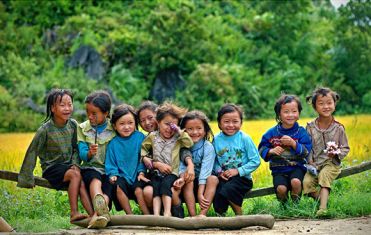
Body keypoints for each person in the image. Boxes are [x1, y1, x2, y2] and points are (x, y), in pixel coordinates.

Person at [17, 89, 93, 223]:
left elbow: (77, 148)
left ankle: (94, 216)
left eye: (70, 104)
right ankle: (74, 213)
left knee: (80, 179)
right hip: (51, 169)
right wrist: (26, 178)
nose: (67, 108)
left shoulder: (73, 125)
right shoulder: (45, 130)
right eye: (62, 105)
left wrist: (75, 163)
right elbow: (32, 151)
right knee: (75, 175)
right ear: (52, 108)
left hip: (69, 167)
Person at [141, 102, 194, 217]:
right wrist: (144, 158)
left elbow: (189, 143)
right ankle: (156, 214)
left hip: (172, 172)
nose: (170, 129)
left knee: (165, 186)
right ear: (158, 122)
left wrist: (179, 131)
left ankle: (167, 212)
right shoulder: (152, 137)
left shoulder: (177, 138)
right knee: (156, 189)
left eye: (173, 126)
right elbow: (144, 148)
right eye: (167, 124)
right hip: (156, 172)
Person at [303, 87, 350, 217]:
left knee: (324, 175)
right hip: (315, 163)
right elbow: (308, 147)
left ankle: (323, 209)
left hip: (332, 163)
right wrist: (310, 161)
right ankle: (325, 202)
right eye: (321, 103)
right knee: (306, 183)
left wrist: (336, 153)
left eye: (329, 103)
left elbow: (345, 148)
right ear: (314, 107)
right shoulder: (310, 127)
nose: (326, 106)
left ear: (334, 104)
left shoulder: (338, 128)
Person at [258, 95, 312, 204]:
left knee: (296, 182)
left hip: (297, 167)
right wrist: (270, 151)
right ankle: (284, 207)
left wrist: (294, 144)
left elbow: (306, 152)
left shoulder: (301, 132)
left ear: (299, 114)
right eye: (286, 112)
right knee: (281, 189)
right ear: (279, 114)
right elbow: (261, 148)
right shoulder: (272, 133)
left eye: (294, 111)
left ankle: (296, 205)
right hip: (278, 170)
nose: (290, 115)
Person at [213, 104, 260, 216]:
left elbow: (255, 161)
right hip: (224, 177)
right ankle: (220, 217)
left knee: (229, 189)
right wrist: (219, 172)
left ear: (241, 123)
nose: (231, 125)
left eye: (235, 121)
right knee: (218, 191)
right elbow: (213, 161)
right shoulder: (216, 140)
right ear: (219, 123)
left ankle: (239, 216)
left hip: (243, 178)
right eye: (226, 121)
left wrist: (237, 171)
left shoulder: (244, 138)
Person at [78, 90, 116, 228]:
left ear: (106, 113)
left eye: (94, 113)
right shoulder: (83, 128)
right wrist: (88, 153)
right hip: (90, 168)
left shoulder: (114, 128)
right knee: (95, 180)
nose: (90, 116)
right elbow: (81, 153)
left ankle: (97, 216)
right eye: (88, 112)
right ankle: (99, 211)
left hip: (109, 170)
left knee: (109, 188)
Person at [105, 104, 146, 215]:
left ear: (135, 123)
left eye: (130, 123)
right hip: (122, 176)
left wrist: (141, 171)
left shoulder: (140, 137)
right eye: (122, 124)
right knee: (118, 187)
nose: (126, 127)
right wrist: (113, 173)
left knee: (139, 191)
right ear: (114, 126)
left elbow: (144, 157)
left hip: (138, 173)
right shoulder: (113, 143)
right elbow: (110, 162)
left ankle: (148, 216)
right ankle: (130, 216)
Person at [179, 110, 218, 217]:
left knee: (213, 179)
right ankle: (193, 216)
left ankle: (202, 215)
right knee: (188, 179)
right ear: (183, 131)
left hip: (204, 182)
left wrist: (200, 193)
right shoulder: (182, 146)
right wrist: (183, 177)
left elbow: (206, 171)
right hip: (187, 182)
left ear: (205, 130)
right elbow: (181, 167)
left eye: (199, 128)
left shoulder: (207, 147)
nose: (195, 132)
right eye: (190, 129)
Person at [135, 100, 159, 214]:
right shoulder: (145, 139)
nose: (147, 123)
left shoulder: (168, 134)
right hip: (154, 176)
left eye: (150, 117)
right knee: (147, 193)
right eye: (142, 121)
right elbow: (142, 156)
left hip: (172, 174)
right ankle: (155, 215)